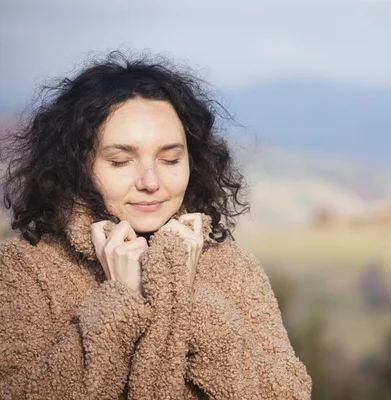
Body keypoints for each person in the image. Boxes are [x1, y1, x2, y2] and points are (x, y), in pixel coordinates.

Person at [0, 51, 312, 399]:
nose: (151, 181)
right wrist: (120, 304)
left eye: (170, 159)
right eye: (120, 161)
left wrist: (187, 295)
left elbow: (287, 393)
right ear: (76, 165)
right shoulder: (25, 270)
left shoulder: (234, 269)